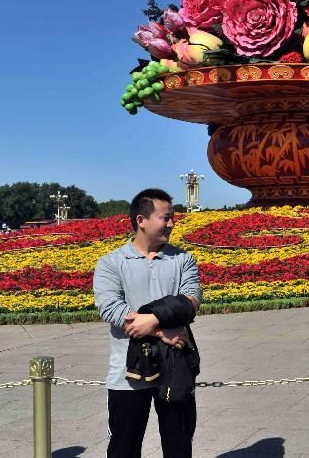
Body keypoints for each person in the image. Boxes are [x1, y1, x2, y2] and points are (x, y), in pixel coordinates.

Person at [93, 189, 202, 458]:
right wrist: (162, 330)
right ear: (141, 220)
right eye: (165, 218)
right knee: (123, 448)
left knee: (179, 447)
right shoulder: (111, 263)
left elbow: (191, 301)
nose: (172, 223)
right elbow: (110, 307)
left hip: (176, 369)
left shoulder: (183, 260)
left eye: (172, 217)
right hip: (127, 375)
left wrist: (152, 321)